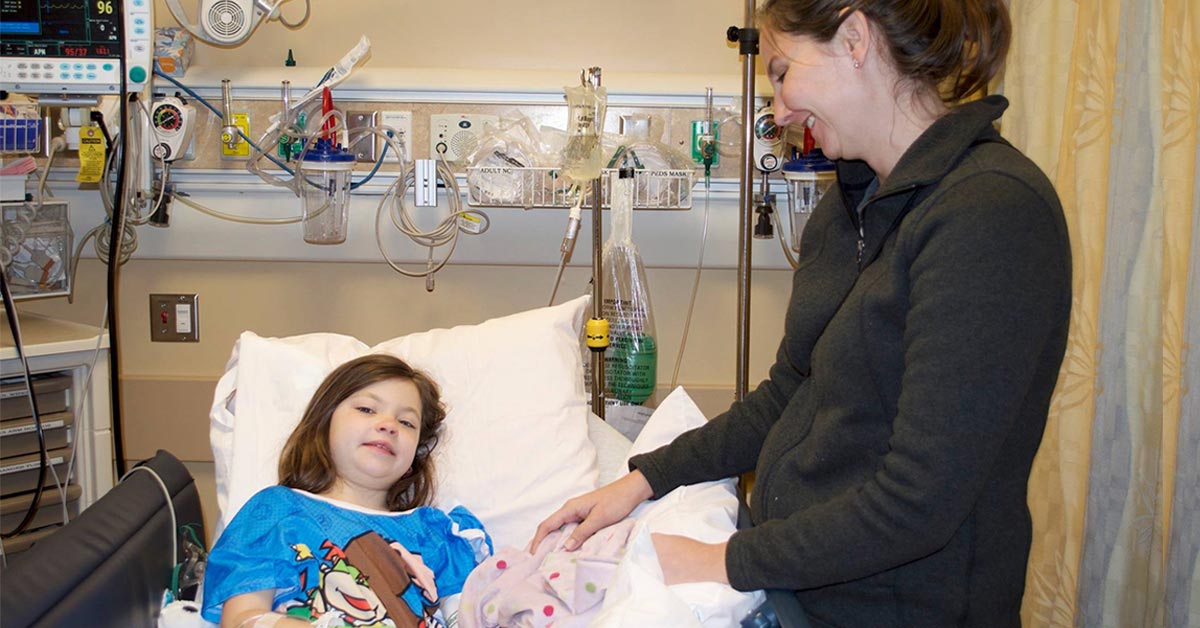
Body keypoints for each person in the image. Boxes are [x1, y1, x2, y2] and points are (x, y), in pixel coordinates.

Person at [533, 1, 1072, 625]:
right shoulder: (849, 207)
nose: (779, 111)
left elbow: (919, 501)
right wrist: (643, 479)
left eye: (784, 71)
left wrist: (725, 561)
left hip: (898, 608)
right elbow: (790, 393)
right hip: (797, 586)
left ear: (854, 38)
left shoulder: (990, 215)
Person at [203, 354, 492, 628]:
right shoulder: (277, 512)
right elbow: (243, 618)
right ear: (323, 425)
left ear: (414, 457)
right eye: (367, 409)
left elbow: (466, 617)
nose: (388, 425)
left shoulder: (433, 533)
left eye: (406, 423)